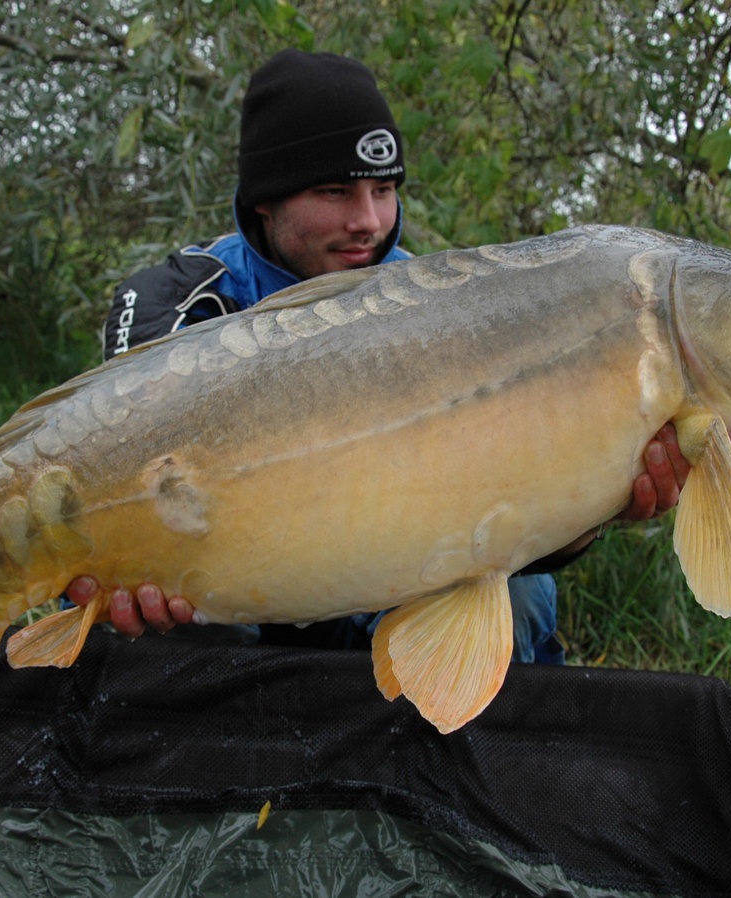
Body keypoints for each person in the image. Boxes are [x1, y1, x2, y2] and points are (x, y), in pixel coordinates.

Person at [66, 49, 699, 662]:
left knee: (523, 594)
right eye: (336, 192)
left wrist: (600, 501)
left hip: (382, 570)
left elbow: (494, 498)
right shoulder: (181, 302)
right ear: (266, 198)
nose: (369, 220)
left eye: (384, 189)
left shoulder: (435, 302)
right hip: (247, 588)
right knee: (177, 631)